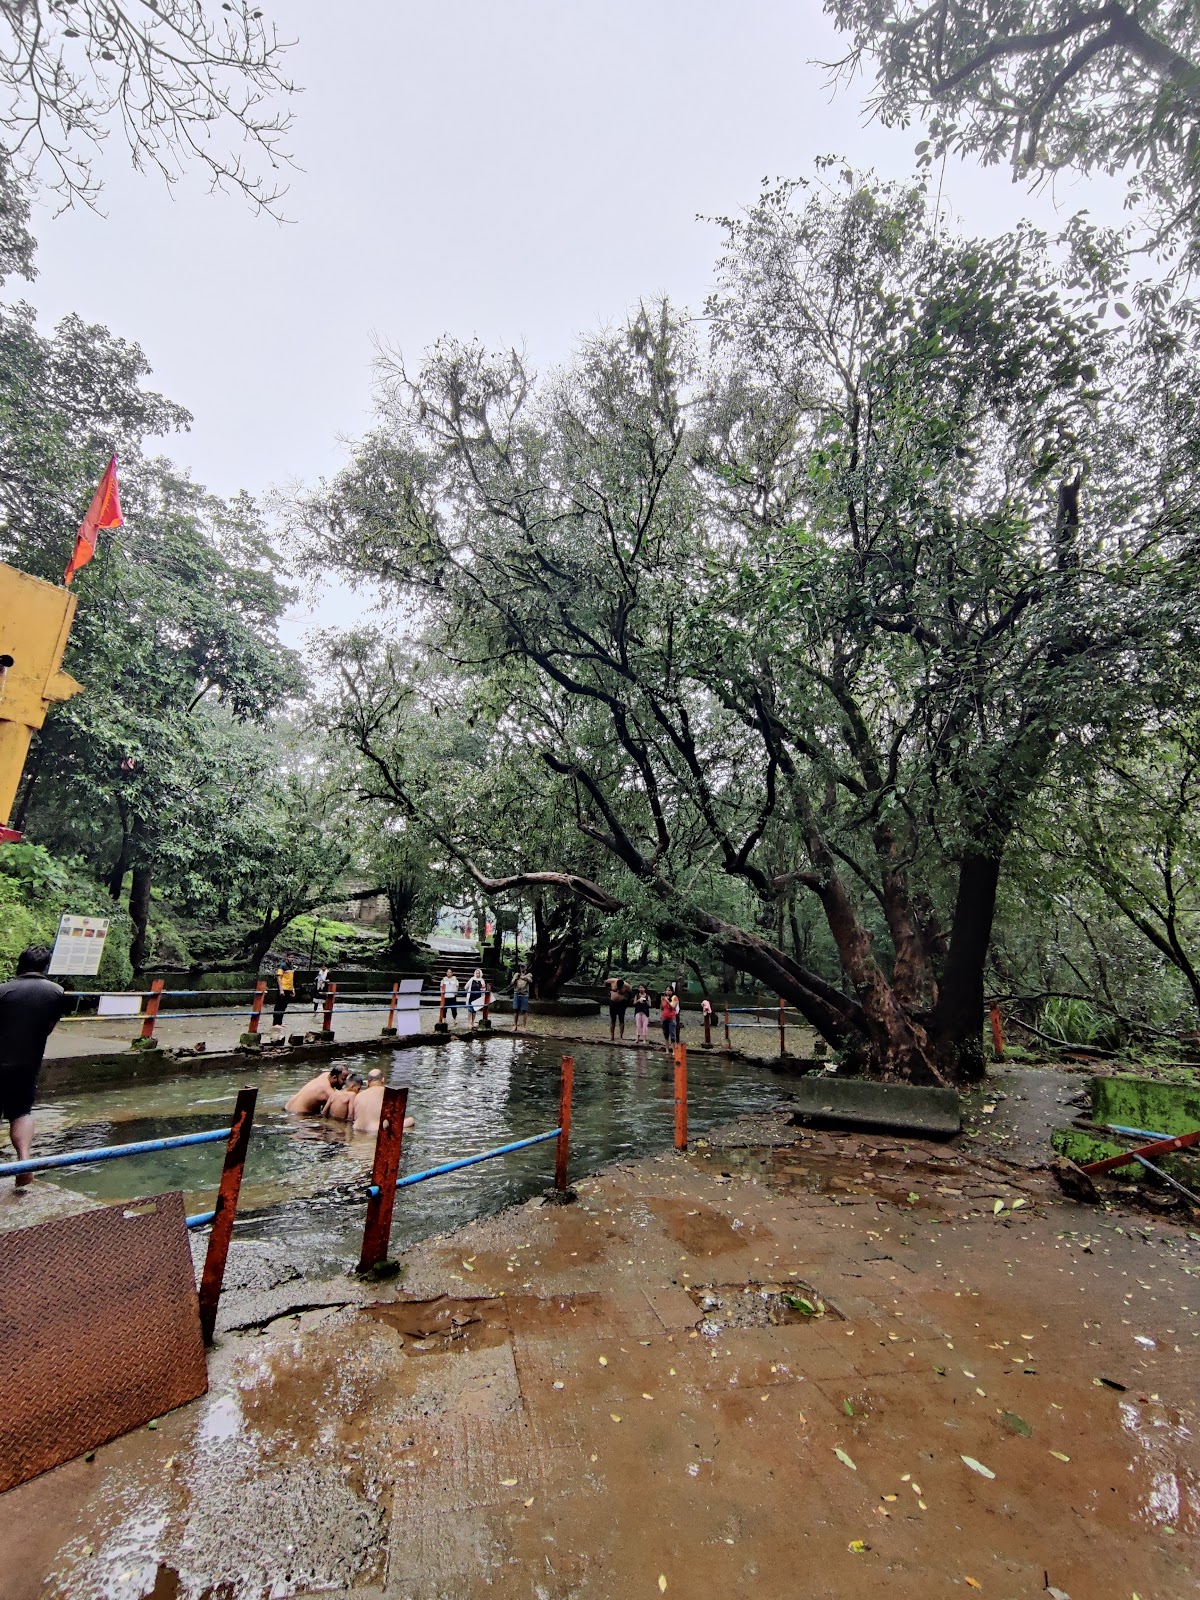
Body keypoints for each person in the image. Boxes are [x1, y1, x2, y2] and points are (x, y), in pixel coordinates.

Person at [0, 946, 68, 1186]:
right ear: (45, 967)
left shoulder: (3, 991)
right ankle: (24, 1163)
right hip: (28, 1062)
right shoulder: (56, 992)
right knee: (21, 1112)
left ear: (20, 965)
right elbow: (48, 1027)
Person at [352, 1068, 415, 1137]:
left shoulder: (358, 1096)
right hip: (376, 1131)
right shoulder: (389, 1093)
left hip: (358, 1130)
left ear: (367, 1083)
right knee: (411, 1120)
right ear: (383, 1080)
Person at [272, 959, 295, 1027]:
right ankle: (275, 1023)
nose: (291, 959)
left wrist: (292, 989)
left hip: (289, 988)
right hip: (283, 988)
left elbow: (291, 979)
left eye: (292, 957)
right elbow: (279, 978)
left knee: (283, 1006)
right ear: (287, 957)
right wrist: (281, 989)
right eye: (290, 957)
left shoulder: (291, 966)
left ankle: (280, 1022)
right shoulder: (282, 966)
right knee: (279, 1006)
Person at [607, 976, 630, 1041]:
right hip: (613, 1003)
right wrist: (609, 991)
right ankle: (612, 1036)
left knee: (621, 1020)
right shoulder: (612, 981)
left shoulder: (627, 986)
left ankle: (621, 1036)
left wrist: (626, 1003)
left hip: (621, 1003)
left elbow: (631, 994)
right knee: (613, 1020)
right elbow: (605, 983)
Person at [512, 967, 532, 1033]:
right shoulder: (516, 974)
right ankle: (515, 1025)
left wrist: (524, 977)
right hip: (516, 993)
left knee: (524, 1010)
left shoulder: (529, 975)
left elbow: (530, 980)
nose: (522, 968)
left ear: (526, 968)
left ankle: (523, 1026)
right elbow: (512, 982)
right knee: (515, 1010)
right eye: (521, 967)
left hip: (524, 994)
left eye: (523, 967)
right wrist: (516, 979)